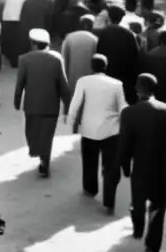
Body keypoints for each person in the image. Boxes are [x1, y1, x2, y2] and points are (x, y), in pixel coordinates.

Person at [118, 73, 166, 252]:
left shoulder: (129, 112)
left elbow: (125, 143)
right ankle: (152, 245)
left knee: (138, 201)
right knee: (159, 207)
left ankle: (138, 227)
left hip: (141, 168)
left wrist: (124, 165)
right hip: (163, 168)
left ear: (137, 90)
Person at [66, 53, 127, 213]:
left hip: (89, 129)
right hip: (111, 130)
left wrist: (71, 123)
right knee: (110, 167)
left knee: (89, 161)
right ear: (106, 67)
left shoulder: (84, 81)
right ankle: (109, 201)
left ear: (91, 67)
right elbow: (122, 108)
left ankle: (90, 188)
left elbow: (75, 104)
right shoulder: (117, 84)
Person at [13, 28, 69, 177]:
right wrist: (68, 106)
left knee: (32, 133)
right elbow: (63, 85)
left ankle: (42, 159)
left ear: (33, 44)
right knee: (47, 135)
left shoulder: (24, 59)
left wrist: (17, 101)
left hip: (31, 106)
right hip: (51, 106)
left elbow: (20, 83)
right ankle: (44, 159)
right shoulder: (57, 59)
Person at [96, 4, 141, 104]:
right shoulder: (129, 35)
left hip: (107, 77)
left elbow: (98, 53)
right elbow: (136, 58)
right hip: (125, 80)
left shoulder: (103, 34)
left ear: (109, 17)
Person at [62, 13, 98, 97]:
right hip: (89, 80)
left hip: (71, 78)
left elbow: (64, 58)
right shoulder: (95, 39)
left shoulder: (69, 38)